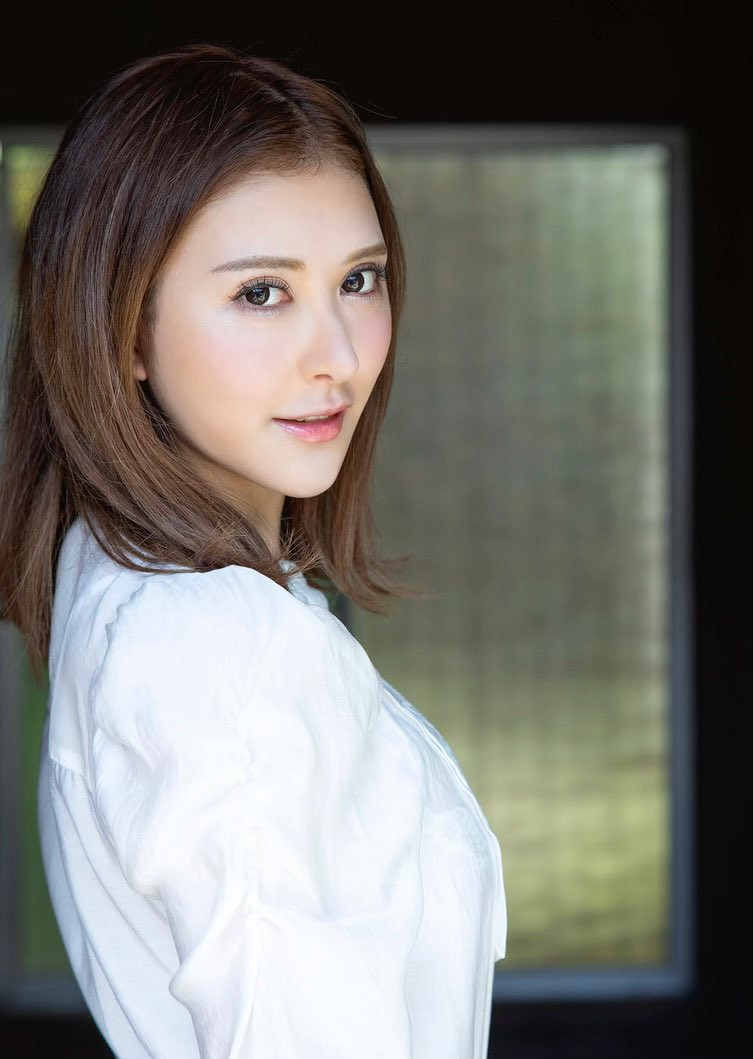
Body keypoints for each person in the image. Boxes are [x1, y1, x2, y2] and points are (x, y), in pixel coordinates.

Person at [0, 43, 507, 1059]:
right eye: (262, 293)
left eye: (359, 279)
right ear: (122, 330)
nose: (339, 356)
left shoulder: (138, 582)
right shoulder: (218, 644)